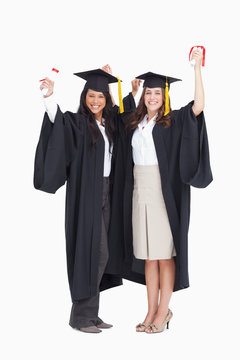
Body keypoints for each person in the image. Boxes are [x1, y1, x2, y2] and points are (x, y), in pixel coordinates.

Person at [34, 67, 136, 333]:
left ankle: (92, 314)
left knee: (103, 251)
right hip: (86, 195)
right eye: (91, 95)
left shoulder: (110, 124)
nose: (96, 101)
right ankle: (80, 317)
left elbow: (122, 119)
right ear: (84, 97)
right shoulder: (79, 124)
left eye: (100, 96)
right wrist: (49, 97)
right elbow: (57, 119)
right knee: (94, 251)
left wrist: (128, 92)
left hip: (107, 192)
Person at [118, 49, 213, 333]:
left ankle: (163, 311)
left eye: (158, 94)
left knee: (164, 254)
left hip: (162, 191)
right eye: (149, 93)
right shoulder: (137, 123)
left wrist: (197, 68)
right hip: (139, 192)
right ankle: (149, 309)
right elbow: (118, 118)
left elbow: (198, 106)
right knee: (148, 255)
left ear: (165, 96)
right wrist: (131, 91)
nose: (153, 98)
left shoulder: (173, 121)